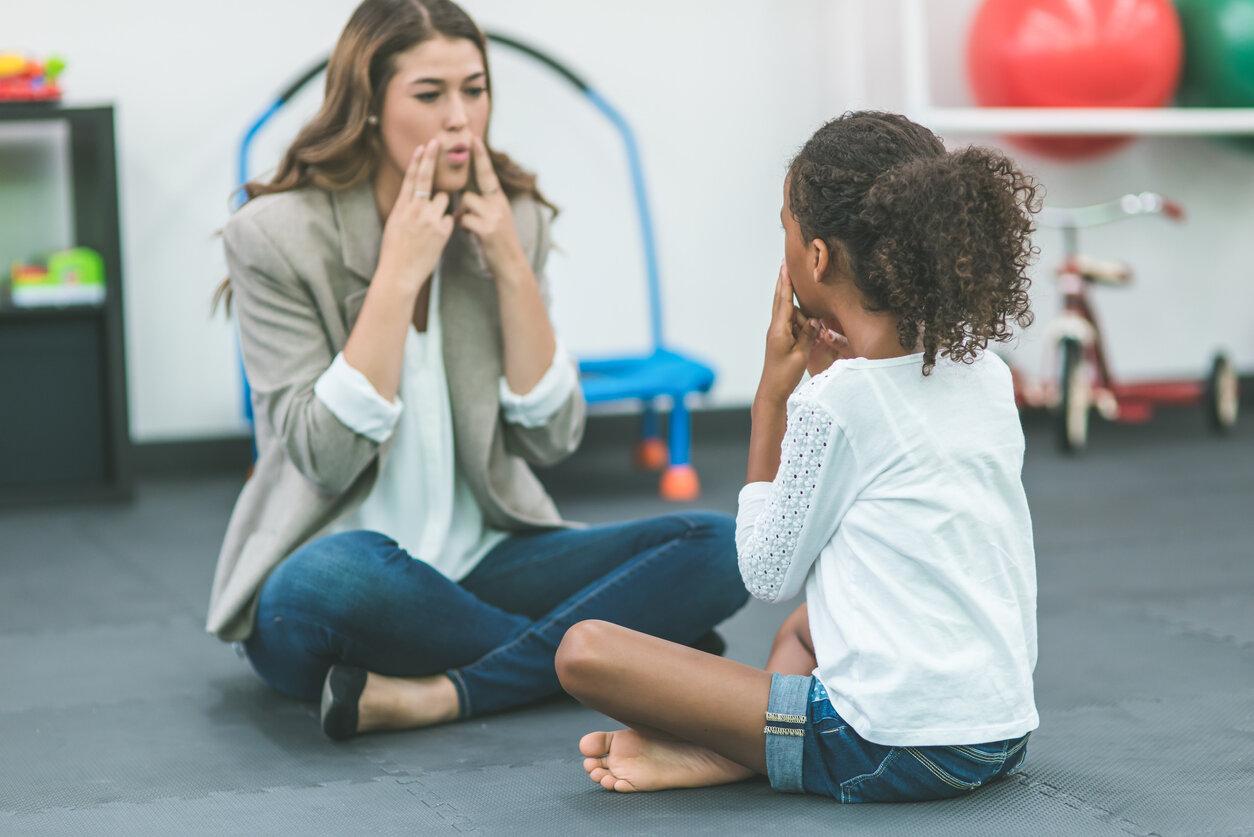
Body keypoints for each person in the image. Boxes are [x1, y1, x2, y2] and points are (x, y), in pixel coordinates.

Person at [207, 0, 746, 741]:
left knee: (720, 547)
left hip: (484, 557)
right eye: (430, 95)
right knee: (334, 577)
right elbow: (326, 456)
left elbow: (553, 439)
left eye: (475, 89)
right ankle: (621, 652)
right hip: (341, 569)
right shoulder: (274, 236)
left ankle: (443, 692)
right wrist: (398, 274)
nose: (460, 118)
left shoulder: (514, 215)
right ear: (368, 106)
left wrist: (508, 265)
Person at [556, 111, 1041, 803]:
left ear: (815, 259)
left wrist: (772, 400)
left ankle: (740, 748)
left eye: (785, 225)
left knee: (585, 650)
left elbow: (766, 569)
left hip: (890, 748)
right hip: (998, 733)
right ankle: (745, 746)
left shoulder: (835, 402)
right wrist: (822, 383)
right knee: (807, 629)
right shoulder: (985, 373)